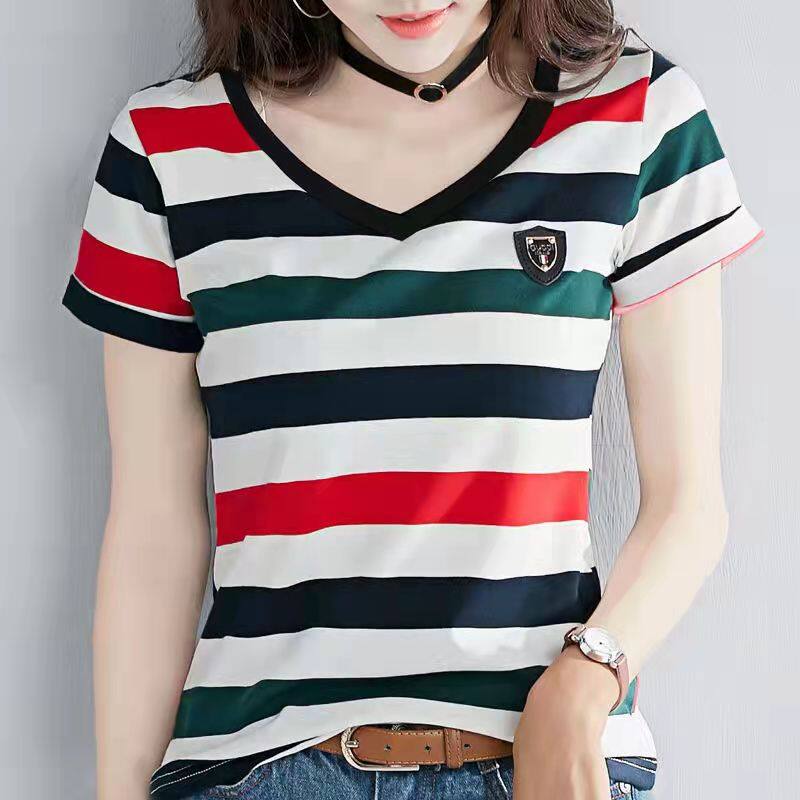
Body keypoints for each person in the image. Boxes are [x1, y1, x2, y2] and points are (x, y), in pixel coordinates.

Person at [59, 0, 765, 798]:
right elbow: (153, 530)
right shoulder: (168, 149)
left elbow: (688, 506)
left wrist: (579, 691)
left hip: (541, 761)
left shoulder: (637, 118)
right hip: (260, 769)